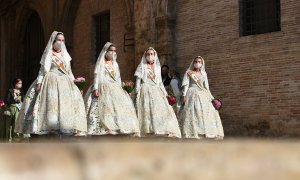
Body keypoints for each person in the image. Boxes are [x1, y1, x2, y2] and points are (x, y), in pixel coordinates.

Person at [15, 31, 87, 137]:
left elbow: (69, 71)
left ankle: (65, 126)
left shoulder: (65, 55)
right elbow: (42, 71)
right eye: (58, 40)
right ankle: (50, 127)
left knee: (66, 105)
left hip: (65, 82)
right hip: (51, 81)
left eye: (63, 40)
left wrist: (75, 82)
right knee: (51, 104)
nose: (61, 42)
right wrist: (39, 83)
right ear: (53, 41)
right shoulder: (48, 54)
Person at [84, 42, 140, 136]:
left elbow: (118, 78)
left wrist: (122, 88)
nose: (113, 53)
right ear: (106, 51)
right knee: (106, 107)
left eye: (114, 51)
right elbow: (97, 76)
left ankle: (119, 127)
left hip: (115, 86)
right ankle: (107, 128)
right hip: (104, 85)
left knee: (120, 106)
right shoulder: (101, 63)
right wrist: (96, 89)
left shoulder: (115, 64)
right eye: (111, 51)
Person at [134, 47, 181, 138]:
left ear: (155, 55)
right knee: (147, 110)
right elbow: (138, 80)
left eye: (152, 54)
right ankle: (149, 130)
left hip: (156, 89)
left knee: (161, 109)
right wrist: (137, 91)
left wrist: (166, 94)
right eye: (148, 54)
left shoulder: (157, 67)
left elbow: (159, 82)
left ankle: (162, 129)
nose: (150, 56)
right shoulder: (142, 66)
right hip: (146, 89)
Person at [180, 56, 224, 139]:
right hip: (192, 92)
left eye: (199, 62)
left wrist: (211, 97)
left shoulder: (204, 73)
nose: (197, 63)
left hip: (203, 93)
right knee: (194, 111)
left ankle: (206, 132)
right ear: (193, 63)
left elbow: (206, 86)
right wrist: (184, 95)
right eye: (196, 61)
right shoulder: (189, 72)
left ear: (202, 63)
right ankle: (193, 132)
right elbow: (186, 85)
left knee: (206, 112)